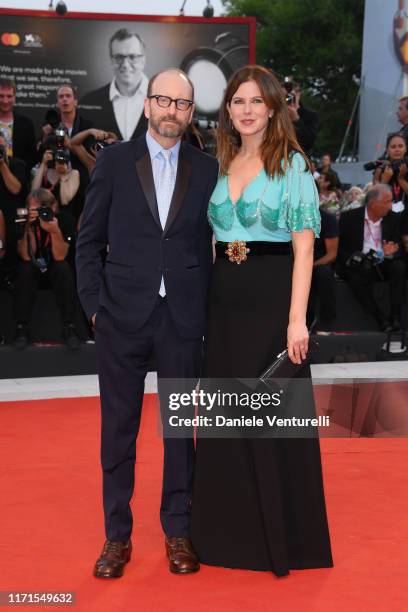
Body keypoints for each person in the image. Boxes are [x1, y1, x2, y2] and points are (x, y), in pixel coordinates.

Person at [190, 65, 333, 576]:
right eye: (237, 102)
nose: (246, 110)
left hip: (271, 301)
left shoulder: (290, 163)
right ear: (227, 111)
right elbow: (211, 239)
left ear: (272, 107)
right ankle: (225, 538)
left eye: (255, 101)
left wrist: (297, 321)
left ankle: (278, 541)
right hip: (223, 300)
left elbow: (303, 247)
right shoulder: (221, 161)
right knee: (228, 417)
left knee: (268, 419)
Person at [76, 68, 218, 578]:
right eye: (163, 100)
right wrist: (95, 307)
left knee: (180, 431)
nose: (171, 111)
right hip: (121, 317)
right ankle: (117, 537)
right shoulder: (114, 161)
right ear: (146, 105)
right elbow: (88, 240)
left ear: (190, 111)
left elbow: (213, 245)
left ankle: (177, 530)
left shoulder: (207, 169)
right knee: (119, 431)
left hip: (181, 318)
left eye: (182, 104)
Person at [13, 188, 80, 350]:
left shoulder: (65, 221)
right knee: (25, 269)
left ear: (53, 207)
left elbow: (59, 256)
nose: (37, 213)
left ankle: (69, 327)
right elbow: (27, 256)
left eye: (41, 209)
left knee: (63, 269)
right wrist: (29, 227)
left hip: (56, 267)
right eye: (33, 209)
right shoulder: (24, 222)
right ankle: (22, 328)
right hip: (34, 267)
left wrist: (54, 230)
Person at [336, 184, 406, 332]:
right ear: (373, 204)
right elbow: (339, 248)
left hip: (384, 261)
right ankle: (379, 318)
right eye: (387, 201)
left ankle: (396, 316)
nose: (390, 205)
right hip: (361, 263)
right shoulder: (350, 218)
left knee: (399, 267)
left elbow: (400, 246)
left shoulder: (394, 218)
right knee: (354, 277)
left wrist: (393, 251)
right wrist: (352, 257)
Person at [80, 29, 148, 141]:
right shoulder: (89, 101)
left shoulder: (165, 101)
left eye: (132, 57)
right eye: (119, 57)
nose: (126, 65)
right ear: (111, 60)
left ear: (143, 59)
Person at [0, 132, 26, 276]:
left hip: (12, 219)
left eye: (1, 147)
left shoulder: (17, 164)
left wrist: (2, 164)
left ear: (7, 147)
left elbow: (15, 189)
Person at [0, 77, 37, 176]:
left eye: (9, 96)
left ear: (14, 97)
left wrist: (20, 173)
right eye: (1, 96)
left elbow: (32, 157)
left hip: (19, 181)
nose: (5, 100)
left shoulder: (26, 124)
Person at [31, 148, 81, 222]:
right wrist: (43, 163)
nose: (59, 162)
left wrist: (63, 175)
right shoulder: (46, 171)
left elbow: (65, 201)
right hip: (43, 214)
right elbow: (34, 191)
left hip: (64, 217)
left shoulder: (73, 173)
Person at [373, 133, 408, 212]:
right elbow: (375, 200)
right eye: (393, 147)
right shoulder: (380, 169)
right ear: (387, 150)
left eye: (400, 146)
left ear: (406, 149)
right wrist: (384, 181)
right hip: (386, 215)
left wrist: (401, 179)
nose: (397, 149)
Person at [286, 78, 319, 154]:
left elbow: (309, 143)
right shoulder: (276, 113)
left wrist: (297, 120)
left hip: (300, 160)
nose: (289, 99)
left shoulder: (311, 115)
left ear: (298, 94)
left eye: (292, 95)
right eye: (287, 96)